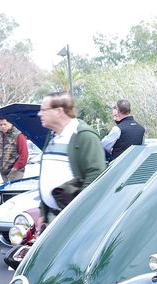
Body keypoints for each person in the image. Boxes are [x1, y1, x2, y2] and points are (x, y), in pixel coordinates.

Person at [37, 92, 106, 222]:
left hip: (74, 221)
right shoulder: (52, 136)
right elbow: (46, 177)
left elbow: (96, 175)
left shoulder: (84, 136)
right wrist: (43, 212)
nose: (39, 114)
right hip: (53, 217)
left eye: (43, 110)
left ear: (58, 111)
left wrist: (77, 213)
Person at [0, 115, 29, 181]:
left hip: (16, 171)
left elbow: (24, 155)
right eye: (0, 125)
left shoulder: (19, 135)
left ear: (11, 123)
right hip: (3, 171)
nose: (2, 126)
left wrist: (15, 168)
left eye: (5, 124)